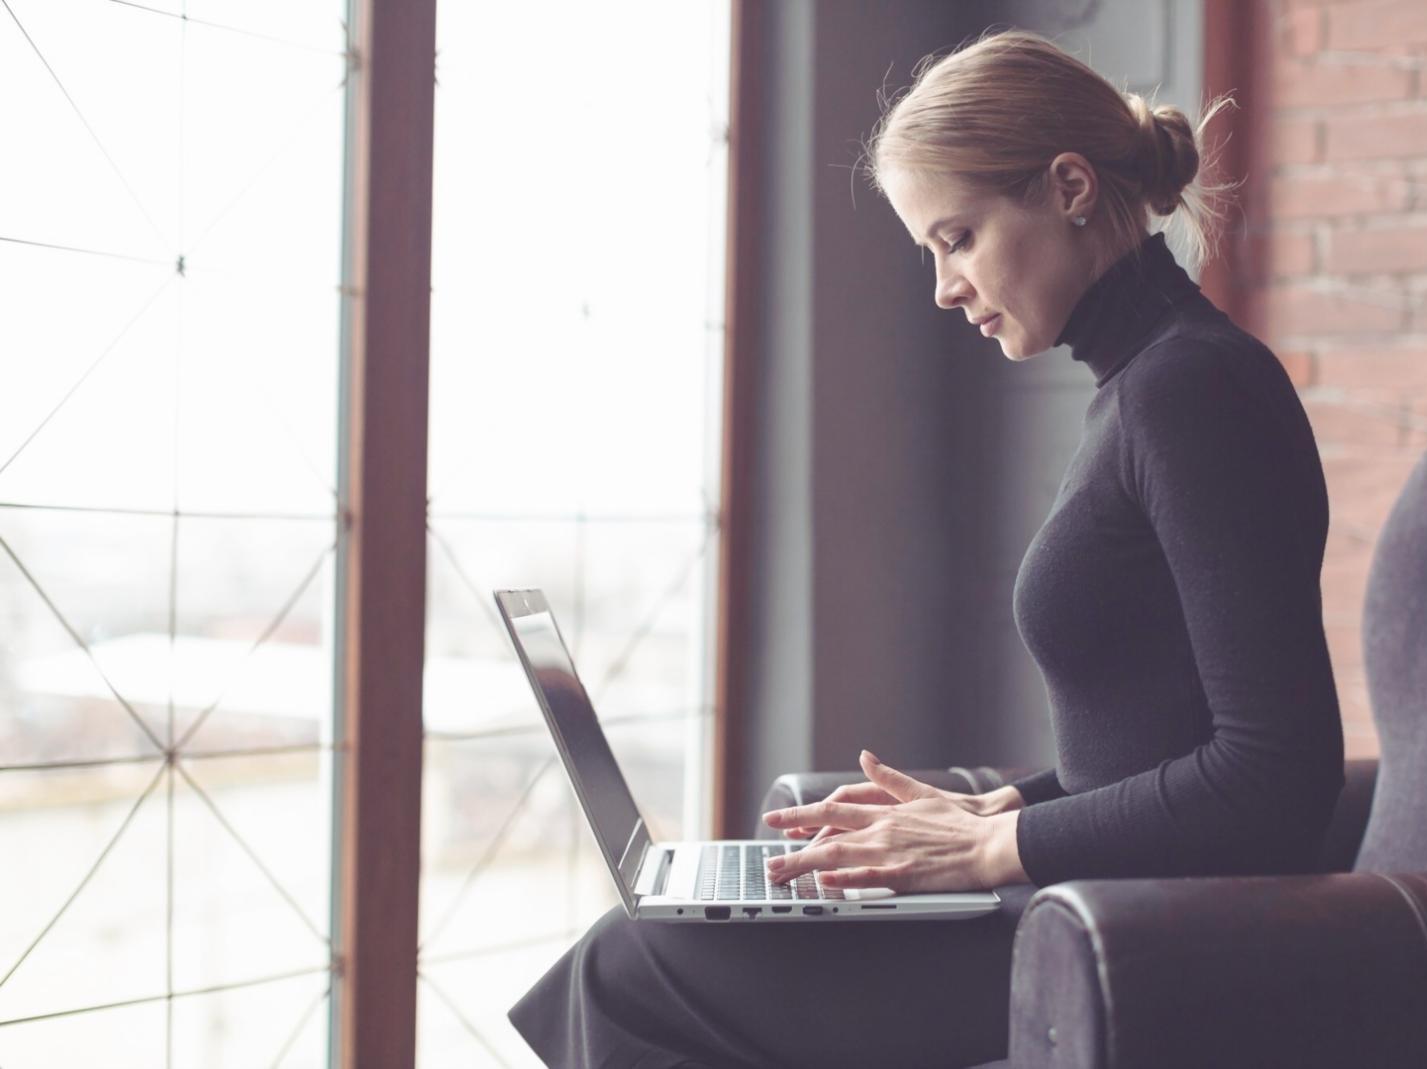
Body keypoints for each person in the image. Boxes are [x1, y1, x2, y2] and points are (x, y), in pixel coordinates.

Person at [511, 26, 1344, 1069]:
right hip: (1093, 900)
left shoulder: (1190, 390)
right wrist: (1001, 805)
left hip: (1145, 943)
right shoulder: (1140, 390)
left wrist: (990, 846)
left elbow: (1274, 773)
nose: (944, 286)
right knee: (645, 952)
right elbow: (1150, 739)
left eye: (956, 238)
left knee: (625, 969)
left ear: (1069, 186)